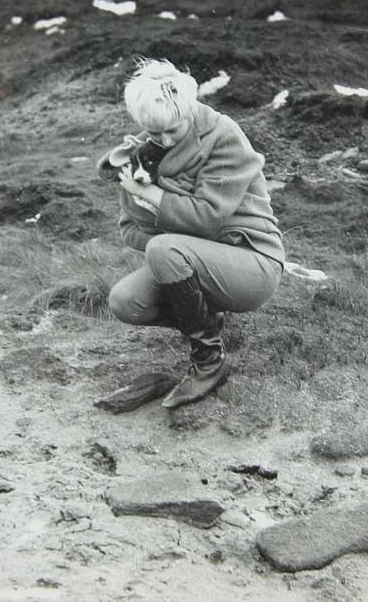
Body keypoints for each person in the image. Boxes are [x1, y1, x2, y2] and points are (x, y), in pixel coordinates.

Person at [96, 58, 285, 409]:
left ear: (189, 109)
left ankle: (209, 362)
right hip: (198, 262)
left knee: (166, 249)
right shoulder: (141, 155)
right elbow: (129, 231)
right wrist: (171, 242)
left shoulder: (223, 136)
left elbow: (208, 219)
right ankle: (207, 321)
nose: (164, 140)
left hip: (253, 262)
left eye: (174, 129)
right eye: (155, 134)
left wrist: (152, 198)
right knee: (125, 302)